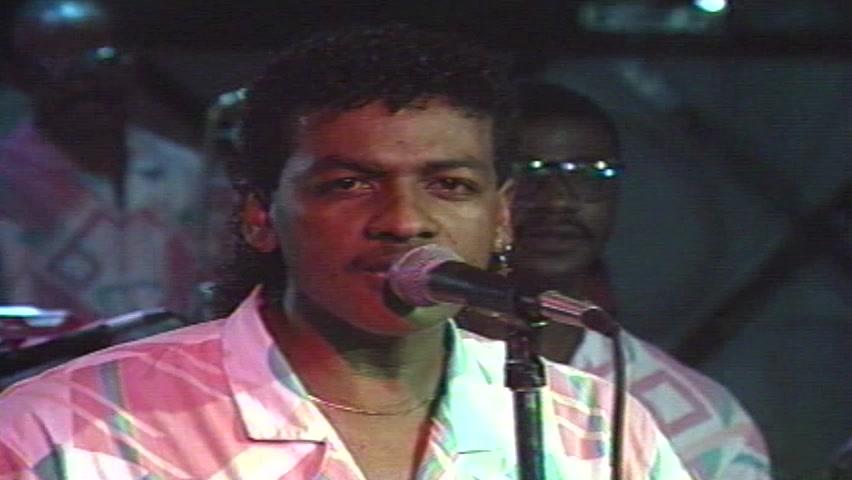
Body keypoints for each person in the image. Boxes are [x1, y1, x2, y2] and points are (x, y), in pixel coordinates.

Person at [0, 24, 694, 479]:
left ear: (502, 218)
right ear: (260, 216)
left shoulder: (592, 428)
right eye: (350, 184)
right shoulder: (65, 426)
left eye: (450, 185)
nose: (405, 222)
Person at [456, 81, 772, 479]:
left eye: (589, 174)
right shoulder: (401, 376)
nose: (557, 200)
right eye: (525, 172)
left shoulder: (701, 424)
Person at [0, 0, 207, 326]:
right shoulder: (7, 181)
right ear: (21, 76)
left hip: (174, 355)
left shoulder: (186, 172)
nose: (84, 84)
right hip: (47, 358)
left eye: (100, 63)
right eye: (56, 66)